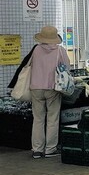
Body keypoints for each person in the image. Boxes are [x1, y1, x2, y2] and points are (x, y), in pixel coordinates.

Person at [27, 26, 70, 158]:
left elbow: (29, 65)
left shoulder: (36, 49)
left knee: (38, 119)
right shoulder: (60, 50)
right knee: (52, 118)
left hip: (36, 88)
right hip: (53, 88)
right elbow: (66, 68)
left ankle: (37, 150)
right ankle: (50, 149)